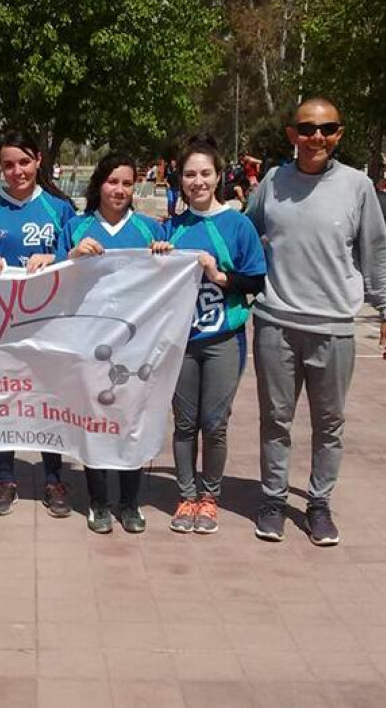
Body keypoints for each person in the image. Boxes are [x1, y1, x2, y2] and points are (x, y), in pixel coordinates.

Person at [245, 97, 386, 546]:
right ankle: (273, 500)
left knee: (328, 423)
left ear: (339, 134)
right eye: (308, 129)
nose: (318, 137)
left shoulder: (357, 186)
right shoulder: (273, 182)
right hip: (275, 322)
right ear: (292, 135)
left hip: (333, 327)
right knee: (276, 419)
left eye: (328, 129)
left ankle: (318, 504)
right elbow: (240, 233)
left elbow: (375, 250)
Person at [56, 152, 172, 534]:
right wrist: (72, 257)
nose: (119, 190)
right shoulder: (75, 227)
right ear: (98, 184)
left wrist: (164, 256)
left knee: (131, 420)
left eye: (127, 182)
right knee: (95, 419)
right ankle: (98, 501)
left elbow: (170, 279)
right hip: (89, 344)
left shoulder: (150, 230)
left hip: (136, 346)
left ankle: (129, 501)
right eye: (112, 181)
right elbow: (54, 280)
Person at [0, 129, 76, 518]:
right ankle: (4, 476)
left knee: (48, 398)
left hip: (48, 325)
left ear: (38, 162)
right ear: (0, 167)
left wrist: (56, 259)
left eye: (24, 162)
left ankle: (53, 476)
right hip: (1, 324)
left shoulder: (60, 209)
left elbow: (78, 261)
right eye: (9, 164)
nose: (17, 171)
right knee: (5, 397)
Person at [164, 138, 267, 535]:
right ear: (181, 179)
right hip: (182, 343)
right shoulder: (171, 228)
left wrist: (218, 275)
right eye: (190, 174)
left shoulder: (237, 225)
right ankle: (186, 495)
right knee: (185, 422)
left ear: (219, 176)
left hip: (225, 338)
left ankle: (210, 498)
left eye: (205, 173)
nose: (198, 181)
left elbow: (256, 279)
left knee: (215, 423)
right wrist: (159, 254)